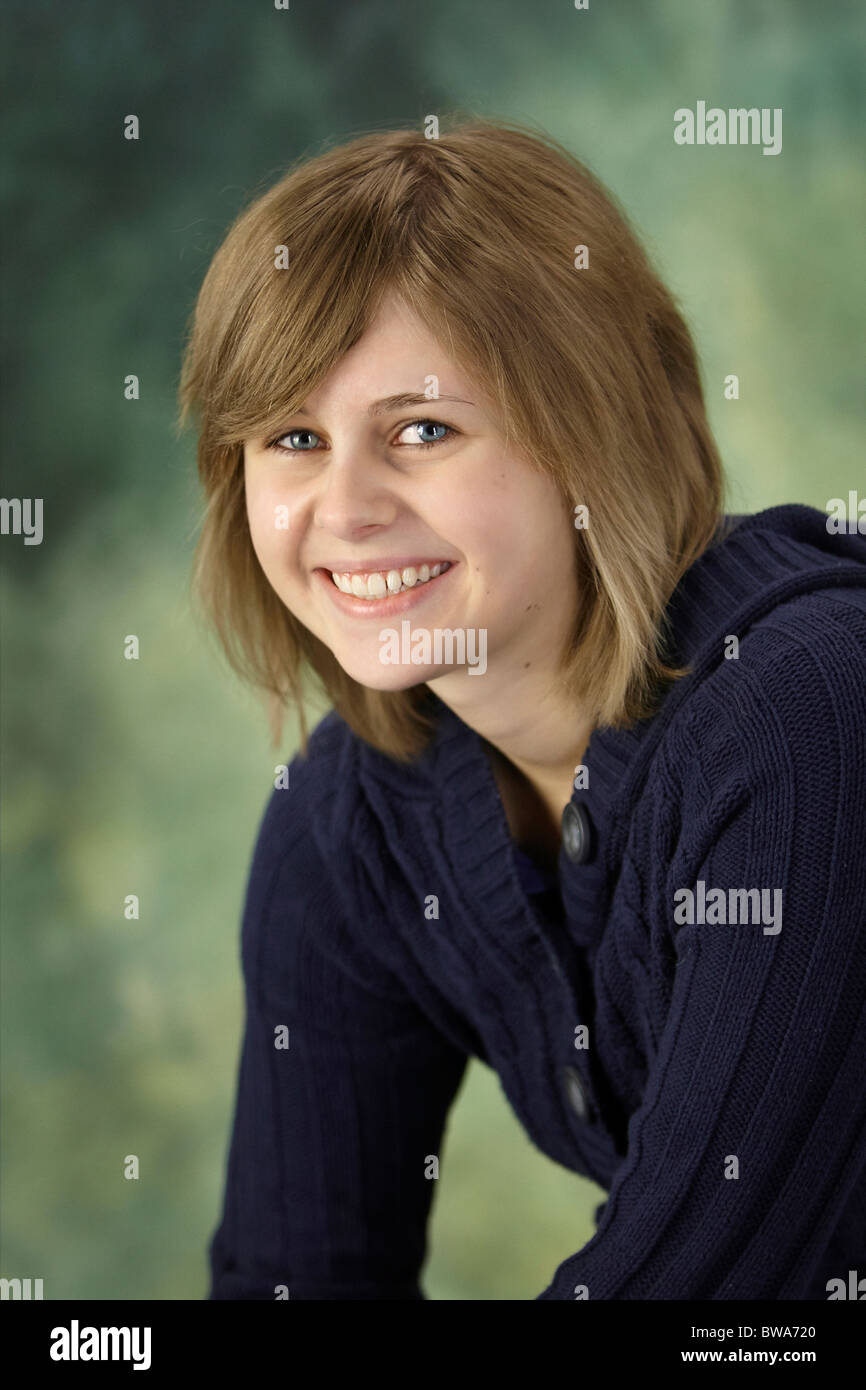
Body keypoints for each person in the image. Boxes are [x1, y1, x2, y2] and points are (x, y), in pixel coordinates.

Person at [177, 119, 866, 1299]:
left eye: (423, 430)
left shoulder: (807, 709)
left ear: (592, 432)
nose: (342, 508)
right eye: (293, 437)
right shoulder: (351, 822)